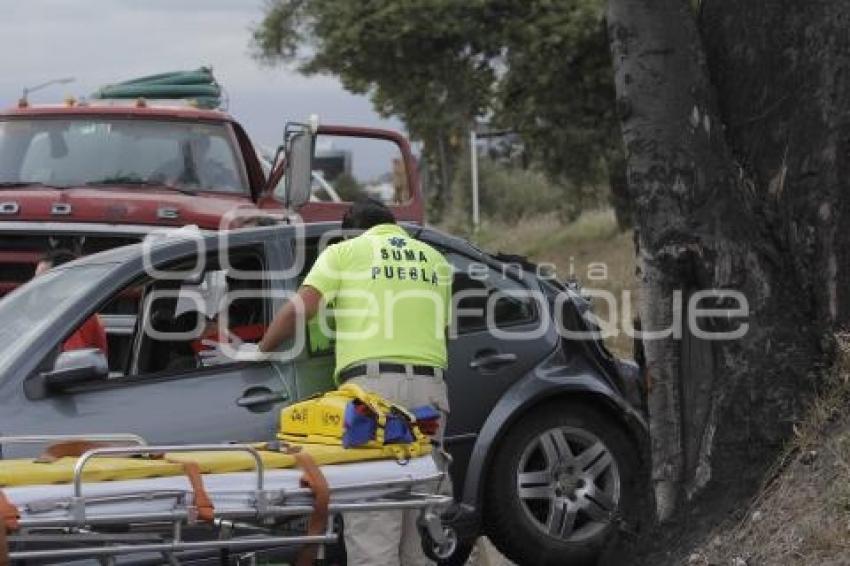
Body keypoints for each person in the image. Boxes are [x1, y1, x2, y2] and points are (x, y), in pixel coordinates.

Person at [204, 198, 453, 565]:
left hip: (374, 395)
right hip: (430, 393)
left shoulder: (345, 252)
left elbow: (299, 309)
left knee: (372, 520)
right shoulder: (436, 261)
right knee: (418, 514)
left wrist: (260, 350)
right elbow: (440, 330)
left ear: (350, 229)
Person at [35, 249, 108, 355]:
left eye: (43, 282)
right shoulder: (85, 313)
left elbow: (67, 366)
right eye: (35, 281)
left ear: (66, 282)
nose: (35, 288)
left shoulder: (70, 319)